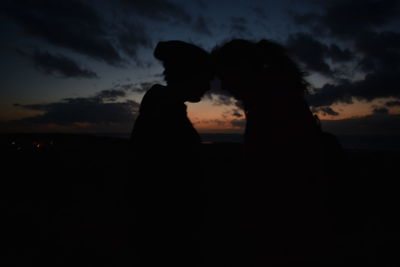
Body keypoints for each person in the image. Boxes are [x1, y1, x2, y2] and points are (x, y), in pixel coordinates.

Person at [212, 39, 338, 265]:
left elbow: (278, 178)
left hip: (289, 227)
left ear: (240, 70)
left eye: (224, 76)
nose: (222, 86)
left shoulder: (271, 104)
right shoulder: (272, 97)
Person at [130, 40, 213, 267]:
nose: (208, 86)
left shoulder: (164, 110)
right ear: (189, 74)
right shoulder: (165, 116)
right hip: (168, 240)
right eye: (205, 77)